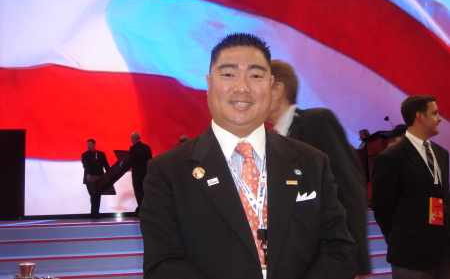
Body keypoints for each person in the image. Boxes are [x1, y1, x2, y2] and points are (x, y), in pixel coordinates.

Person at [140, 33, 356, 279]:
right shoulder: (167, 171)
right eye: (228, 74)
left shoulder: (312, 162)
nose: (242, 87)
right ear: (209, 83)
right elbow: (163, 265)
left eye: (255, 76)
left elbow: (338, 250)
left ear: (271, 85)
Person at [266, 59, 371, 278]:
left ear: (277, 90)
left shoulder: (316, 120)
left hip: (325, 264)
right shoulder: (268, 141)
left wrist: (356, 262)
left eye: (258, 83)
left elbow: (349, 189)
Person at [371, 95, 450, 279]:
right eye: (434, 113)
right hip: (410, 256)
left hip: (443, 253)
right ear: (419, 117)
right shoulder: (391, 157)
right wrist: (400, 241)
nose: (439, 118)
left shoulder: (441, 153)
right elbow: (382, 207)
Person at [121, 132, 152, 217]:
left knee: (139, 193)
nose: (130, 140)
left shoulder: (133, 148)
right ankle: (146, 211)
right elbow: (150, 160)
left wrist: (122, 164)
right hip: (146, 173)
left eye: (131, 138)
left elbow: (130, 160)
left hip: (137, 174)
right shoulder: (147, 147)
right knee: (145, 193)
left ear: (134, 139)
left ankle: (141, 212)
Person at [81, 139, 110, 219]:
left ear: (94, 144)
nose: (88, 146)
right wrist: (88, 174)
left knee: (97, 195)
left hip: (99, 178)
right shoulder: (85, 154)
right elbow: (85, 165)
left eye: (90, 144)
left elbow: (106, 165)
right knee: (93, 195)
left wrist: (109, 174)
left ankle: (95, 213)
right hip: (89, 177)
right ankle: (94, 213)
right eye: (87, 144)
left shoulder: (101, 154)